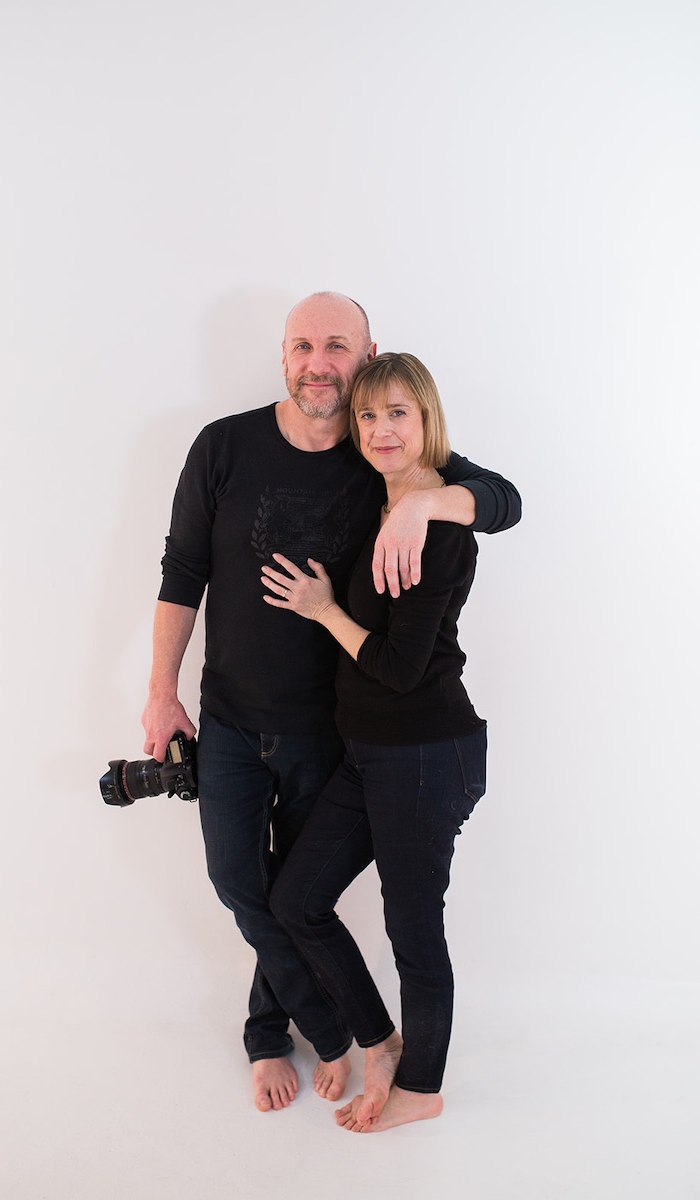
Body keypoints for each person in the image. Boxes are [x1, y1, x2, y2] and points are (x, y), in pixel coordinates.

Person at [141, 293, 520, 1113]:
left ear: (367, 353)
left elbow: (504, 499)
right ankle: (344, 1033)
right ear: (284, 356)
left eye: (337, 345)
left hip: (335, 729)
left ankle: (275, 1035)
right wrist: (160, 691)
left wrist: (428, 500)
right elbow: (182, 572)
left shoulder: (384, 451)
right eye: (303, 345)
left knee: (301, 894)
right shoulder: (225, 445)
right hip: (234, 716)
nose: (319, 362)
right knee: (246, 884)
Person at [264, 351, 493, 1132]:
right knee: (296, 899)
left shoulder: (438, 522)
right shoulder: (385, 498)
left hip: (426, 753)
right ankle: (381, 1041)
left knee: (412, 931)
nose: (381, 429)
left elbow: (400, 670)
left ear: (427, 419)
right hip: (369, 754)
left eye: (399, 412)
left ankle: (422, 1092)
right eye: (368, 415)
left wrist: (324, 609)